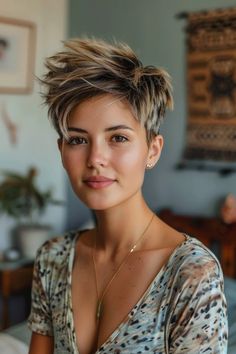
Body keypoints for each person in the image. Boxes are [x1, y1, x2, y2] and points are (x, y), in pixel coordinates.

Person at [28, 38, 228, 354]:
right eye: (78, 140)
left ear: (152, 150)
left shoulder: (192, 273)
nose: (96, 158)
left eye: (118, 137)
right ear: (61, 151)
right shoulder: (52, 259)